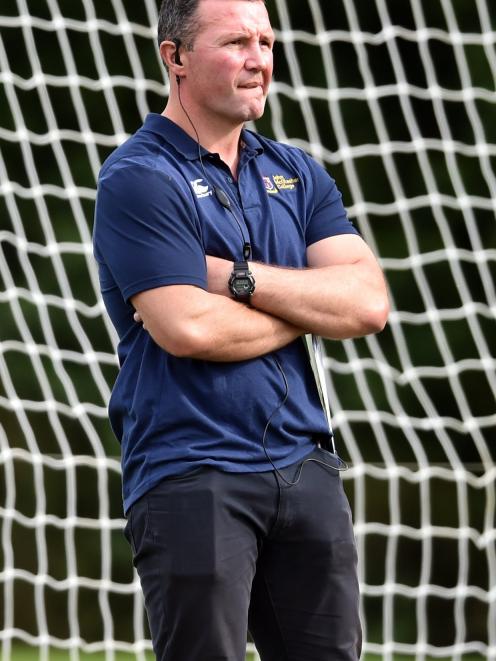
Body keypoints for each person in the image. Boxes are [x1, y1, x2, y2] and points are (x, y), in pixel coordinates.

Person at [93, 0, 389, 659]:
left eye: (266, 41)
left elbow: (367, 305)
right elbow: (187, 329)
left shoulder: (298, 170)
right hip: (193, 471)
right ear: (175, 58)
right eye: (236, 43)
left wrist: (238, 278)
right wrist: (311, 307)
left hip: (307, 465)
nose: (259, 60)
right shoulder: (139, 178)